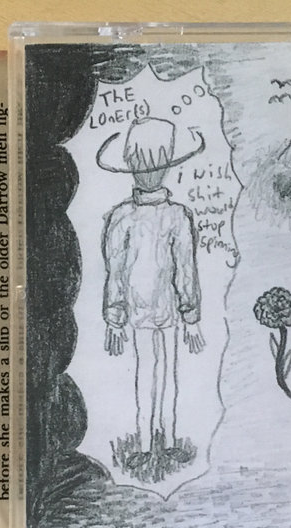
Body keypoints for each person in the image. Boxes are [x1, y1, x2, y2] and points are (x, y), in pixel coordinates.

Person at [97, 117, 206, 466]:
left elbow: (181, 269)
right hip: (155, 309)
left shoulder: (135, 217)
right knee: (159, 370)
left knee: (156, 371)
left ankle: (157, 441)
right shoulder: (154, 216)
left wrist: (190, 315)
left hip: (156, 309)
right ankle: (156, 441)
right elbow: (119, 270)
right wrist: (115, 316)